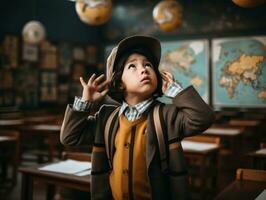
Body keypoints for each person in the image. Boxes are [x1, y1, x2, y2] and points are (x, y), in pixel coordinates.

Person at [60, 35, 215, 200]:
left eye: (148, 64)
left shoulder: (167, 115)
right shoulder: (106, 118)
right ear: (119, 83)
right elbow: (69, 137)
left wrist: (176, 92)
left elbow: (203, 118)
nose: (144, 69)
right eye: (132, 66)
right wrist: (85, 103)